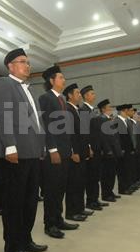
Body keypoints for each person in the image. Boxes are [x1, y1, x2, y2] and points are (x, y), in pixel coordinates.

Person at [0, 48, 48, 252]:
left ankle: (26, 239)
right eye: (22, 62)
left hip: (32, 152)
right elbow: (2, 115)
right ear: (10, 66)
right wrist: (10, 146)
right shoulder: (4, 84)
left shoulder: (28, 90)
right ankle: (12, 246)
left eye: (28, 62)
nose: (27, 66)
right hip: (15, 153)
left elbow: (36, 122)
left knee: (30, 200)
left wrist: (41, 147)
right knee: (14, 202)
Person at [39, 65, 82, 238]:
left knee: (61, 188)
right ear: (51, 80)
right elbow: (46, 125)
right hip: (53, 152)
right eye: (61, 77)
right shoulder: (45, 98)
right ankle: (50, 224)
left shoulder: (62, 100)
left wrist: (70, 149)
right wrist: (52, 149)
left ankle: (58, 219)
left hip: (65, 151)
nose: (64, 80)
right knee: (51, 189)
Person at [64, 83, 93, 221]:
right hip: (75, 153)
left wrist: (87, 148)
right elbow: (69, 134)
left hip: (82, 151)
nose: (79, 95)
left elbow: (83, 134)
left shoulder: (77, 110)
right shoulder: (68, 110)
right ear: (70, 95)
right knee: (73, 184)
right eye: (77, 93)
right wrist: (73, 151)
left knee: (80, 181)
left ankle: (80, 208)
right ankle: (71, 212)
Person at [78, 85, 107, 211]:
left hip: (97, 147)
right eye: (92, 93)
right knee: (91, 176)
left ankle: (95, 199)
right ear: (85, 96)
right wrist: (88, 147)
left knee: (96, 176)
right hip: (91, 149)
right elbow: (84, 132)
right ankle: (90, 201)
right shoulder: (84, 110)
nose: (94, 95)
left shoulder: (92, 110)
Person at [98, 100, 123, 202]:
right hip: (108, 151)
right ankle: (106, 194)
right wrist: (107, 150)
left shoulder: (110, 119)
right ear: (103, 109)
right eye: (108, 107)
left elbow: (114, 137)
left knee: (112, 173)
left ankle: (110, 191)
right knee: (107, 174)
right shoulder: (101, 120)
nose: (111, 109)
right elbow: (103, 137)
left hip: (114, 150)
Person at [115, 104, 136, 195]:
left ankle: (128, 186)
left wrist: (131, 148)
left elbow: (129, 137)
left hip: (127, 149)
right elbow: (117, 138)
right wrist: (120, 149)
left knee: (128, 168)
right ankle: (122, 189)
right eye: (127, 110)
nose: (128, 112)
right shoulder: (117, 121)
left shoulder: (126, 121)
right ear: (123, 111)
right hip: (122, 150)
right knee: (122, 170)